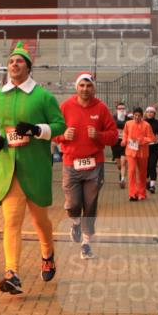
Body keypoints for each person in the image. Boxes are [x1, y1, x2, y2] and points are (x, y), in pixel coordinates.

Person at [0, 41, 66, 295]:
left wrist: (36, 130)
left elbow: (59, 125)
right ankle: (12, 273)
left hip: (35, 168)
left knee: (39, 219)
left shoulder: (43, 96)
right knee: (11, 221)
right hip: (9, 169)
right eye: (11, 61)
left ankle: (47, 251)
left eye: (19, 61)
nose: (14, 64)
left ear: (28, 67)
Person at [52, 72, 118, 260]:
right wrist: (63, 136)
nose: (85, 89)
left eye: (88, 86)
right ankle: (75, 223)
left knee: (90, 206)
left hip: (94, 164)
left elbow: (113, 136)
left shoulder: (101, 108)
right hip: (71, 163)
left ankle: (86, 244)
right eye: (82, 85)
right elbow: (54, 132)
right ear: (76, 87)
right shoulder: (65, 107)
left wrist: (98, 135)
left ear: (94, 88)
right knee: (73, 204)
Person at [121, 106, 155, 201]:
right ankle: (132, 194)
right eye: (135, 115)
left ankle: (141, 193)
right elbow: (125, 133)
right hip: (130, 152)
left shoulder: (146, 125)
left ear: (142, 115)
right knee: (131, 172)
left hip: (143, 153)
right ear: (133, 115)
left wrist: (142, 140)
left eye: (139, 116)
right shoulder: (128, 124)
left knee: (142, 173)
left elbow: (152, 138)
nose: (137, 117)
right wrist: (124, 141)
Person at [144, 106, 158, 193]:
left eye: (151, 112)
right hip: (145, 148)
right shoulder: (143, 122)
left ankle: (152, 185)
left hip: (155, 148)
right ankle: (146, 182)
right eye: (148, 112)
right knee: (146, 167)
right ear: (145, 113)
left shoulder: (157, 122)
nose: (149, 113)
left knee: (152, 165)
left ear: (154, 114)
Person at [110, 100, 129, 188]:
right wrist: (122, 124)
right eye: (119, 108)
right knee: (119, 164)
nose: (121, 110)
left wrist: (121, 125)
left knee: (123, 162)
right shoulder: (113, 117)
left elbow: (127, 125)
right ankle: (121, 173)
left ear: (125, 109)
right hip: (115, 142)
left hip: (125, 142)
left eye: (123, 108)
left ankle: (122, 179)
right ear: (116, 109)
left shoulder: (129, 118)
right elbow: (115, 124)